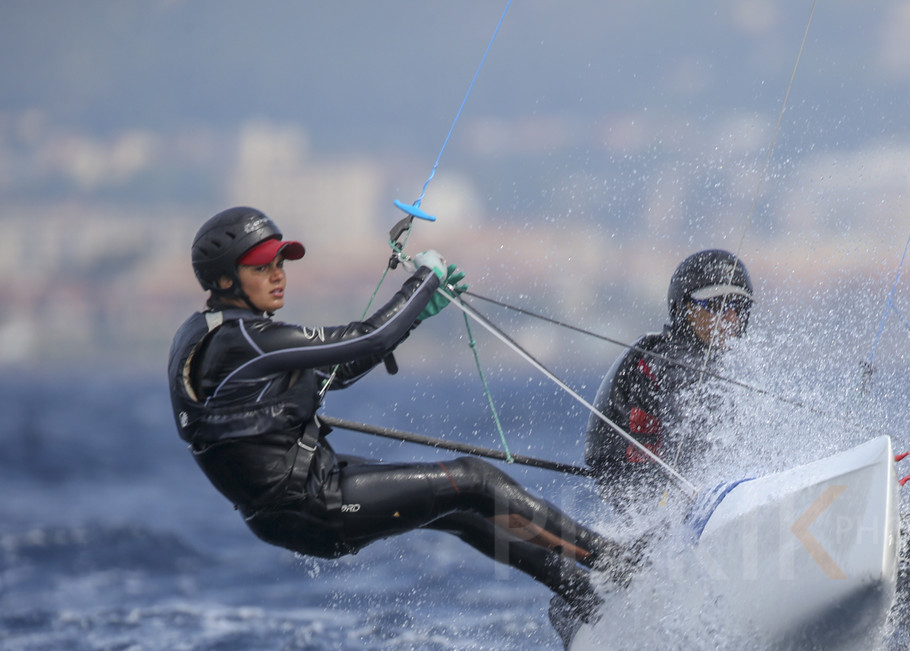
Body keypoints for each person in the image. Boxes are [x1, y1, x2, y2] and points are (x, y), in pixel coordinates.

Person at [168, 205, 613, 617]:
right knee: (474, 480)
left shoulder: (206, 334)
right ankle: (619, 563)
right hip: (313, 505)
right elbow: (368, 340)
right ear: (225, 281)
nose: (278, 275)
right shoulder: (244, 342)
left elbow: (335, 371)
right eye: (261, 267)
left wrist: (415, 316)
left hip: (290, 507)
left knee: (460, 510)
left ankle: (583, 598)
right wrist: (423, 280)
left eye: (280, 263)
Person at [583, 249, 753, 511]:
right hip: (640, 494)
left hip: (646, 489)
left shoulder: (690, 356)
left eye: (738, 307)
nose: (730, 317)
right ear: (685, 309)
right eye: (718, 305)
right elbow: (693, 443)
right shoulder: (675, 360)